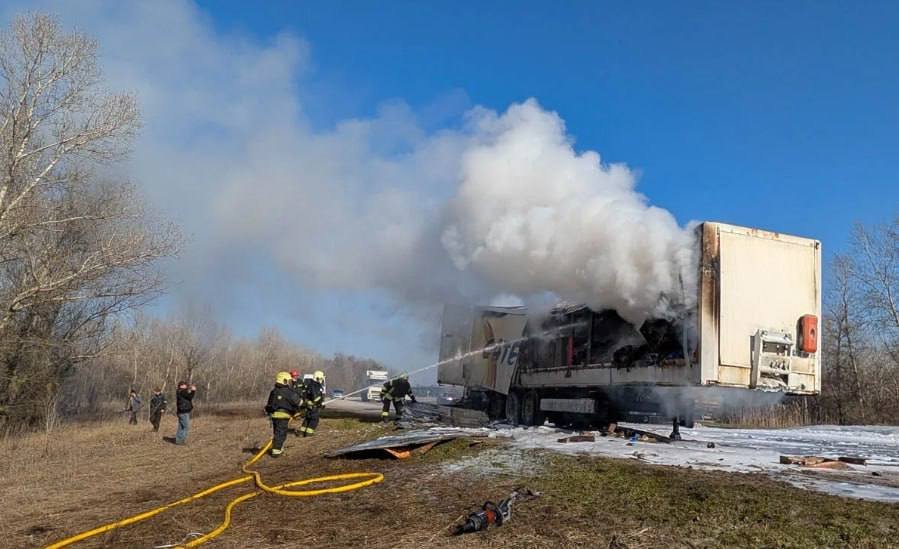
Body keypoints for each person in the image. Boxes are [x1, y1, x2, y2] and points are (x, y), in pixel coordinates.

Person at [265, 371, 304, 457]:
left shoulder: (274, 391)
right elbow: (298, 402)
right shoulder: (288, 392)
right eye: (288, 381)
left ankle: (278, 447)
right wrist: (304, 404)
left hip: (274, 416)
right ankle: (276, 451)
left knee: (277, 432)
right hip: (284, 416)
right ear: (284, 380)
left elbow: (269, 404)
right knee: (281, 433)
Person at [299, 370, 325, 437]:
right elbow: (316, 397)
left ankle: (301, 433)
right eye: (321, 378)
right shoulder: (316, 385)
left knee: (307, 418)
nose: (321, 380)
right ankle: (308, 434)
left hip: (309, 406)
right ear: (317, 378)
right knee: (314, 420)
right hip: (314, 406)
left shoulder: (310, 384)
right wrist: (319, 403)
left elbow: (305, 395)